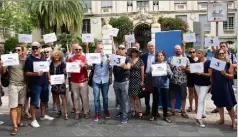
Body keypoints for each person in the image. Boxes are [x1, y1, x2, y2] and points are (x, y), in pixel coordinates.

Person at [24, 41, 54, 128]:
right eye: (33, 48)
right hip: (35, 84)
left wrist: (49, 78)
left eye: (37, 48)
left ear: (40, 49)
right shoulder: (29, 59)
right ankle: (33, 120)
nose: (35, 50)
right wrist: (35, 74)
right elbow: (26, 73)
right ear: (32, 49)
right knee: (34, 102)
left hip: (44, 83)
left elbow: (47, 69)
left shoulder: (43, 58)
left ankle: (43, 115)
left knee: (44, 100)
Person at [1, 46, 27, 135]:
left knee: (20, 105)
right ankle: (15, 126)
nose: (17, 51)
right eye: (15, 50)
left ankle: (18, 121)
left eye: (19, 50)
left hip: (23, 86)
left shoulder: (25, 61)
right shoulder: (10, 60)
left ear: (22, 51)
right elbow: (3, 72)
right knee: (13, 106)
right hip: (13, 86)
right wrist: (2, 64)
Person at [211, 49, 237, 130]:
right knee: (219, 103)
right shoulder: (214, 64)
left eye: (223, 53)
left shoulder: (229, 64)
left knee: (229, 105)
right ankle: (222, 119)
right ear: (217, 55)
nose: (221, 55)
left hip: (226, 87)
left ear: (225, 54)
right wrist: (211, 86)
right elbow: (212, 76)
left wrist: (225, 74)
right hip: (216, 86)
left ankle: (233, 121)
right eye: (220, 54)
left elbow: (231, 76)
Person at [66, 45, 89, 120]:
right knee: (76, 98)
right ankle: (77, 112)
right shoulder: (71, 58)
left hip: (83, 81)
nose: (78, 50)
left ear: (82, 50)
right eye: (77, 49)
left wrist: (86, 65)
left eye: (80, 49)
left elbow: (90, 67)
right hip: (74, 81)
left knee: (85, 98)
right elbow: (67, 68)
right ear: (74, 50)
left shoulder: (85, 58)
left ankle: (86, 112)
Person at [167, 45, 190, 118]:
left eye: (179, 49)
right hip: (173, 81)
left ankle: (183, 111)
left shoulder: (186, 59)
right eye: (176, 49)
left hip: (183, 81)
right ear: (174, 50)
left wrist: (185, 69)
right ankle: (172, 111)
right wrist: (170, 67)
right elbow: (166, 69)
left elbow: (190, 70)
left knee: (183, 97)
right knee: (172, 97)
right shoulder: (170, 59)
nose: (178, 50)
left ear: (181, 50)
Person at [91, 44, 111, 121]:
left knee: (105, 97)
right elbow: (89, 65)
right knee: (96, 98)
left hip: (105, 80)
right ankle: (97, 113)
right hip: (96, 80)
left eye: (101, 48)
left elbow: (112, 66)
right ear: (96, 49)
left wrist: (110, 62)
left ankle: (106, 111)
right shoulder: (94, 57)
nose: (100, 50)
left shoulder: (107, 56)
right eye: (99, 48)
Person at [149, 51, 172, 123]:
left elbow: (171, 76)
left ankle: (165, 116)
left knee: (164, 101)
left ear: (164, 57)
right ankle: (153, 114)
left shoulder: (167, 65)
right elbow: (150, 75)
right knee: (155, 101)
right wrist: (151, 71)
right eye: (158, 55)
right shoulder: (154, 64)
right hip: (155, 85)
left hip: (164, 85)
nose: (160, 57)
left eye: (161, 55)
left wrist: (168, 71)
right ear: (157, 57)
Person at [113, 45, 131, 124]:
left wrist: (124, 65)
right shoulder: (115, 57)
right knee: (119, 98)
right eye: (119, 48)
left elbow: (128, 67)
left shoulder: (127, 58)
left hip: (124, 81)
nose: (120, 50)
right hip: (116, 81)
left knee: (125, 100)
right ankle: (121, 111)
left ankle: (125, 116)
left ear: (125, 50)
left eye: (122, 49)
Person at [193, 49, 211, 128]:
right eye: (197, 53)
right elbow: (193, 71)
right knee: (201, 100)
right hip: (197, 83)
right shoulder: (197, 62)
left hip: (205, 84)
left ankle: (198, 118)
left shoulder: (208, 62)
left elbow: (210, 74)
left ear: (203, 54)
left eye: (199, 53)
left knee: (200, 100)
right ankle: (202, 113)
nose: (197, 54)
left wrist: (202, 73)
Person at [49, 50, 68, 120]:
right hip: (54, 83)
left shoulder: (62, 63)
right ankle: (59, 110)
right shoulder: (51, 63)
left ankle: (66, 112)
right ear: (53, 56)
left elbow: (65, 73)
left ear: (60, 56)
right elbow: (50, 72)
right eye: (55, 55)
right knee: (56, 97)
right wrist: (50, 79)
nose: (56, 56)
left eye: (57, 55)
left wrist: (64, 79)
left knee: (63, 97)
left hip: (61, 83)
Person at [128, 48, 144, 119]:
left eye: (135, 52)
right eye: (133, 52)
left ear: (137, 53)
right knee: (131, 97)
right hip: (130, 80)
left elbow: (142, 72)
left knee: (137, 96)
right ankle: (133, 110)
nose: (134, 53)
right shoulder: (128, 60)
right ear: (131, 53)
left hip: (137, 81)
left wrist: (142, 81)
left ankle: (140, 110)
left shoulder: (140, 60)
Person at [141, 41, 155, 116]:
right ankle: (147, 109)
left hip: (155, 77)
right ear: (147, 47)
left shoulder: (157, 55)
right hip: (146, 76)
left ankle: (154, 110)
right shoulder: (144, 55)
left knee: (155, 94)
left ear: (154, 47)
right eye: (149, 46)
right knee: (147, 94)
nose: (151, 47)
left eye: (152, 46)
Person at [186, 48, 198, 112]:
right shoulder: (188, 59)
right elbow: (182, 54)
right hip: (190, 78)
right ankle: (190, 106)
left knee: (196, 93)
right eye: (190, 52)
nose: (192, 53)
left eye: (193, 52)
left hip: (197, 78)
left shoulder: (199, 59)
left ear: (195, 52)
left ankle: (196, 107)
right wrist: (184, 45)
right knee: (190, 93)